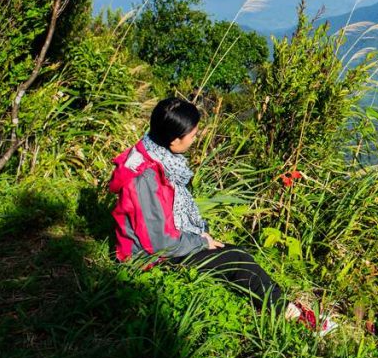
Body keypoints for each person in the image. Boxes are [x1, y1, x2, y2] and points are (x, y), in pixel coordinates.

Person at [108, 97, 334, 334]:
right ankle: (293, 315)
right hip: (149, 258)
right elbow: (159, 243)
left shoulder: (154, 151)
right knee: (236, 259)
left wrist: (199, 237)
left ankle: (282, 301)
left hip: (163, 241)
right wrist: (199, 241)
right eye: (193, 135)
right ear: (174, 140)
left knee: (234, 254)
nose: (195, 139)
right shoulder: (146, 177)